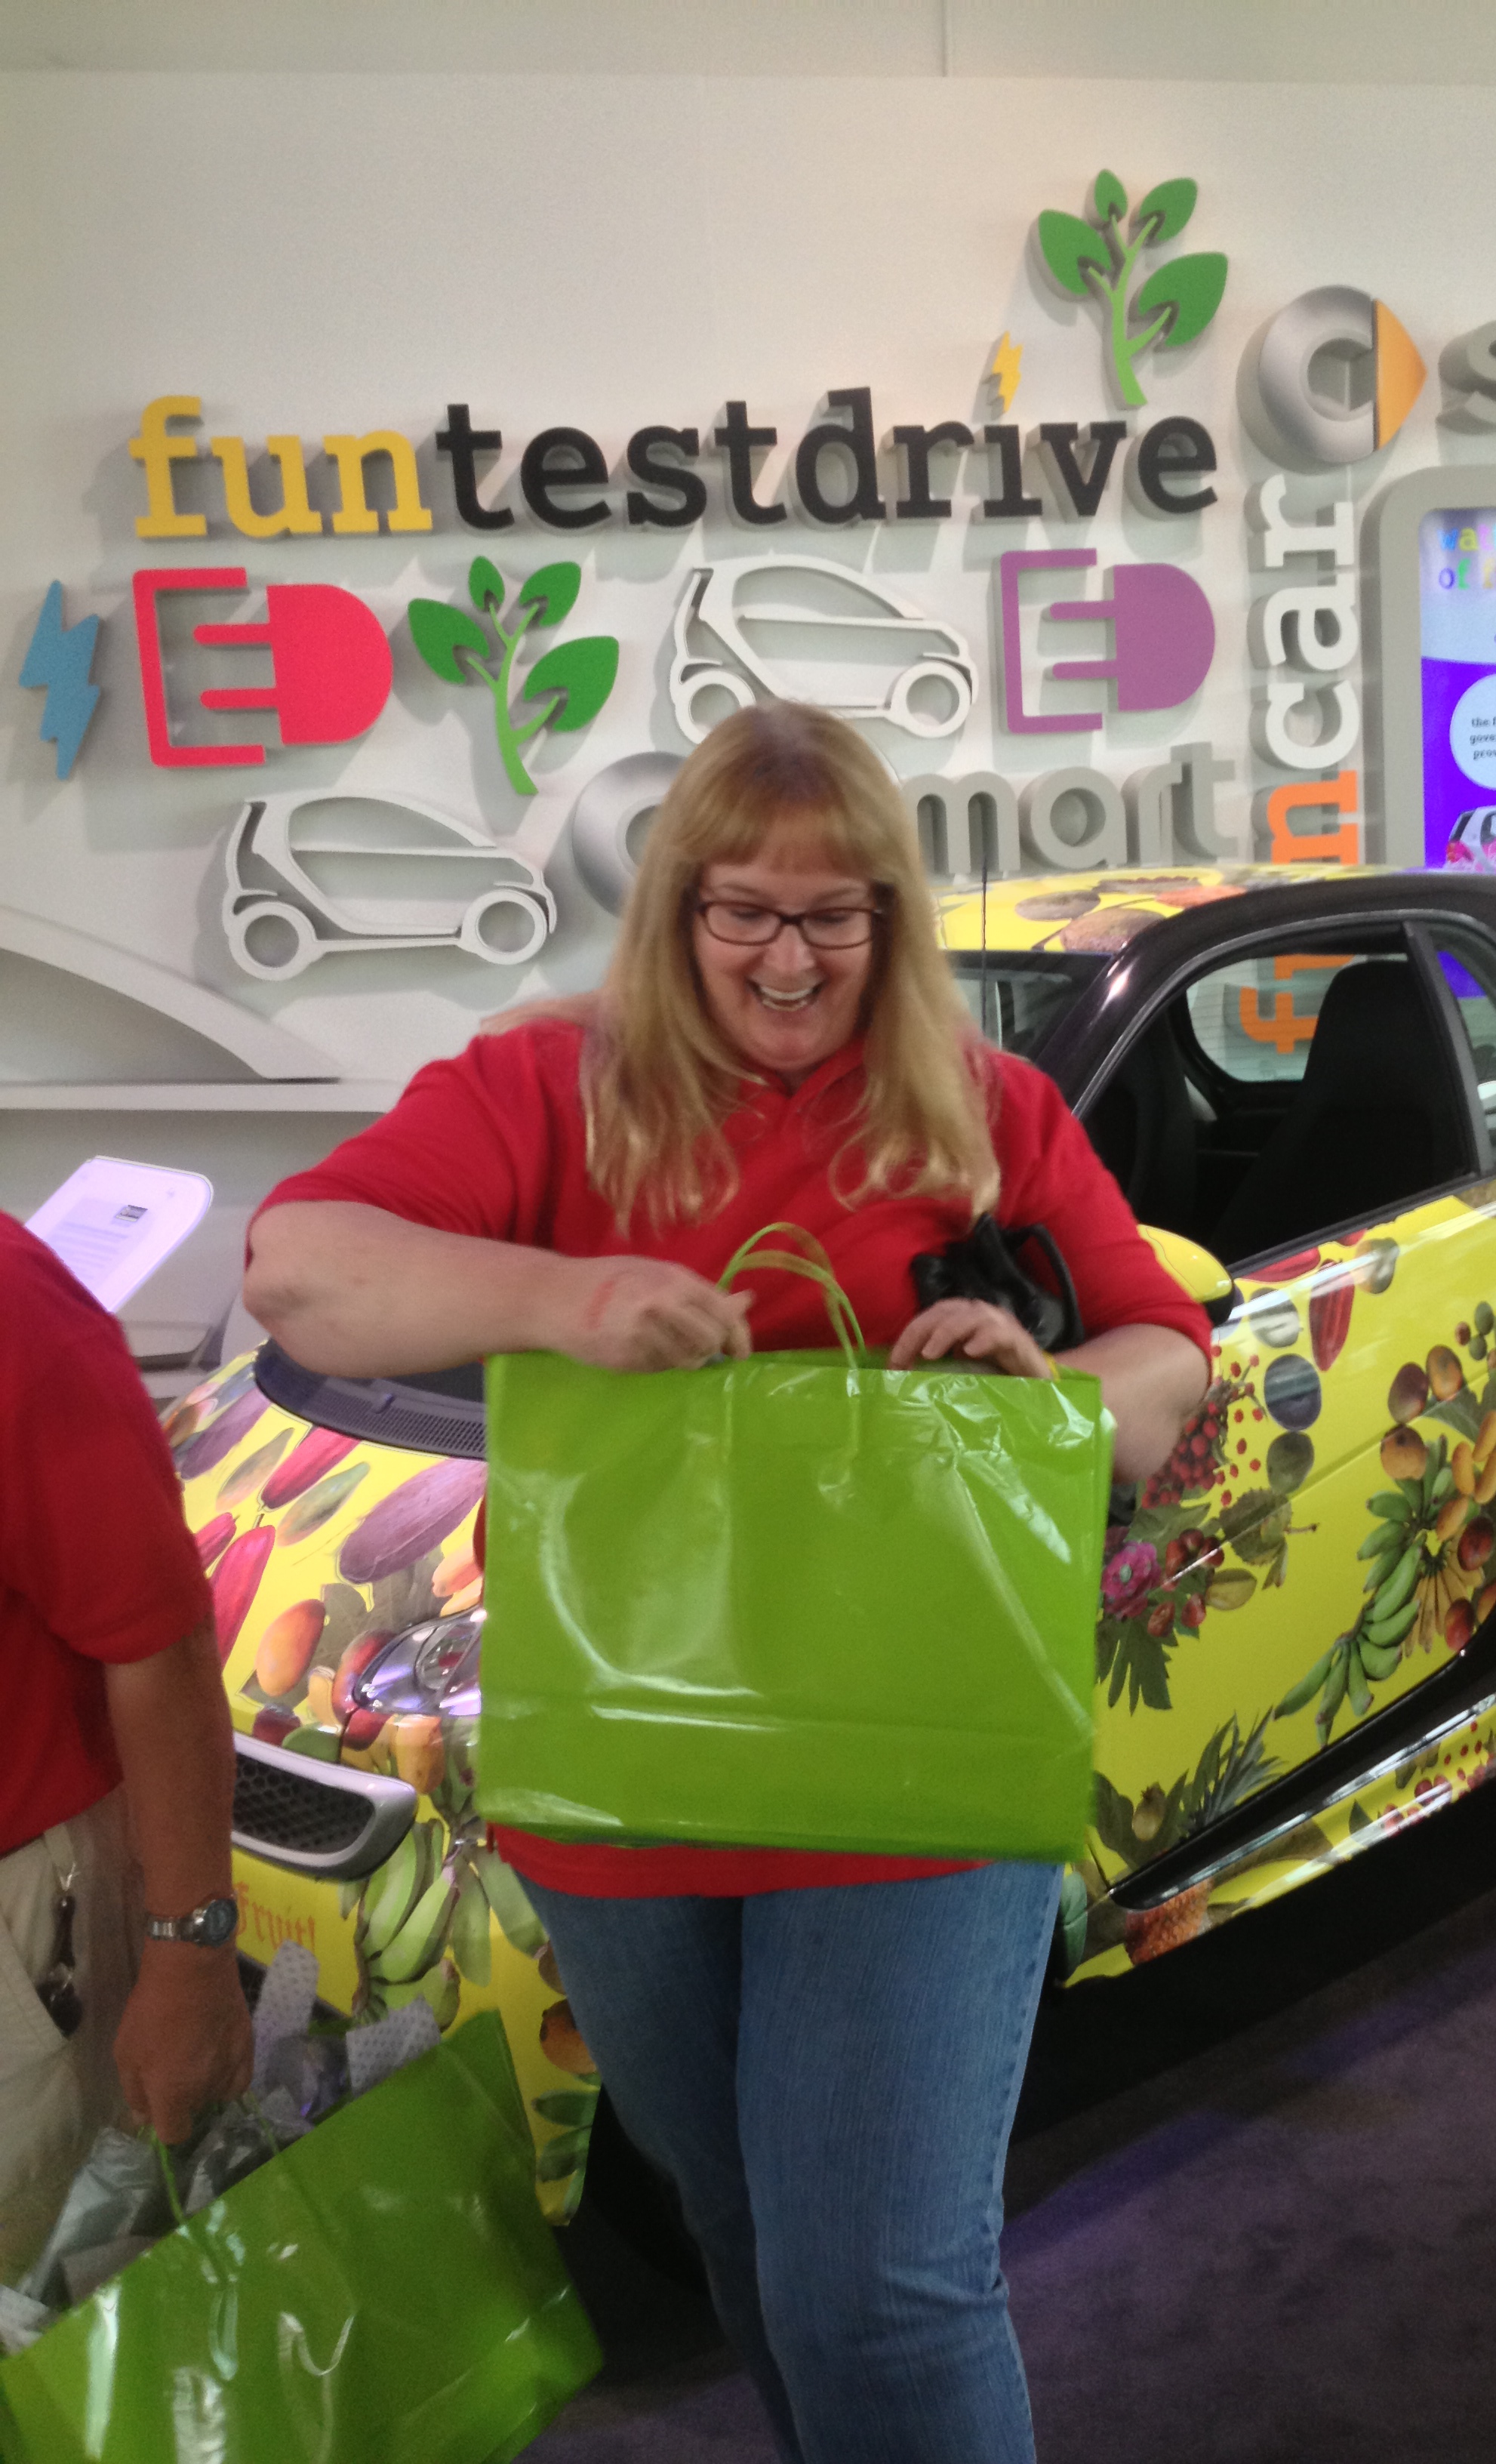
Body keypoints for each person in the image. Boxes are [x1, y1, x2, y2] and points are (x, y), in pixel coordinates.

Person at [243, 701, 1210, 2464]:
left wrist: (1055, 1389)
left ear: (889, 924)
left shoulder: (987, 1109)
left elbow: (1171, 1358)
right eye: (745, 908)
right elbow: (302, 1270)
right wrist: (564, 1300)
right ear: (679, 905)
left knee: (883, 2290)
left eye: (834, 912)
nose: (787, 953)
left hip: (920, 1762)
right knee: (750, 2233)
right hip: (636, 1773)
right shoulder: (549, 1089)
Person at [0, 1215, 254, 2285]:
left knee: (40, 2309)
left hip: (22, 1913)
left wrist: (191, 1953)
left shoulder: (13, 1303)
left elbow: (157, 1641)